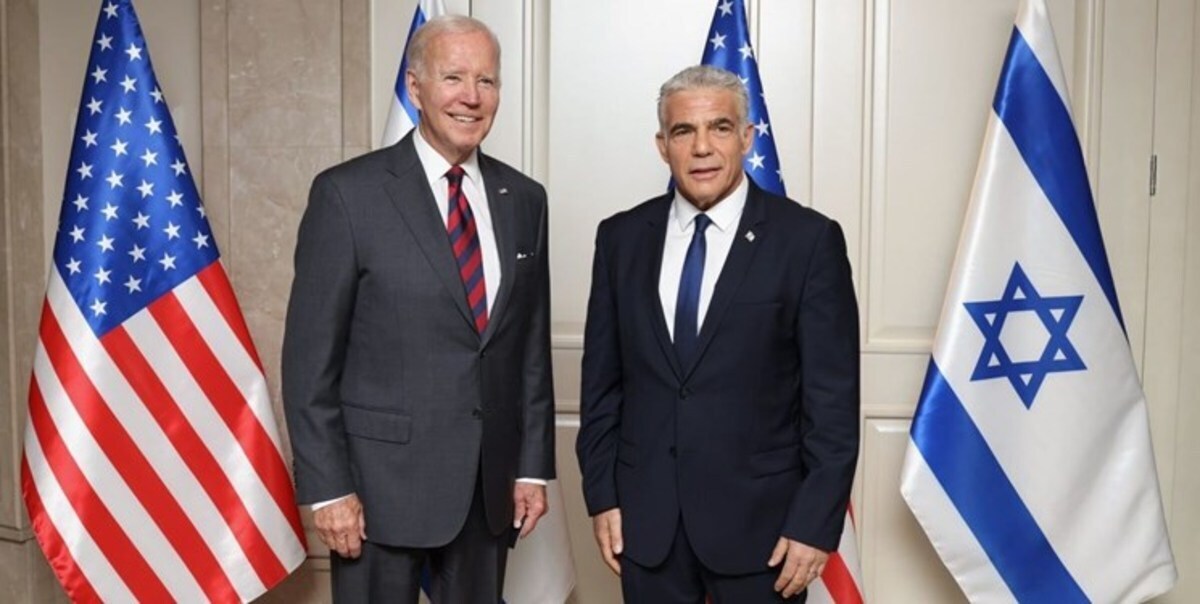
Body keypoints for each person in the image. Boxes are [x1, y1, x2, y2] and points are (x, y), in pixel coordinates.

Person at [282, 14, 555, 603]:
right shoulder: (347, 194)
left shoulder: (524, 199)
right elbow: (310, 362)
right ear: (415, 87)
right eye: (453, 77)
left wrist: (531, 467)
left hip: (487, 490)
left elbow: (529, 348)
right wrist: (329, 488)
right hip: (377, 493)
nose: (471, 97)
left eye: (487, 80)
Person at [576, 65, 860, 603]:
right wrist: (602, 495)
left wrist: (814, 524)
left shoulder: (807, 241)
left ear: (747, 137)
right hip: (646, 526)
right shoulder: (621, 239)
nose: (702, 147)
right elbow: (602, 389)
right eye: (684, 131)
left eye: (720, 128)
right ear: (663, 145)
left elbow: (832, 405)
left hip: (766, 533)